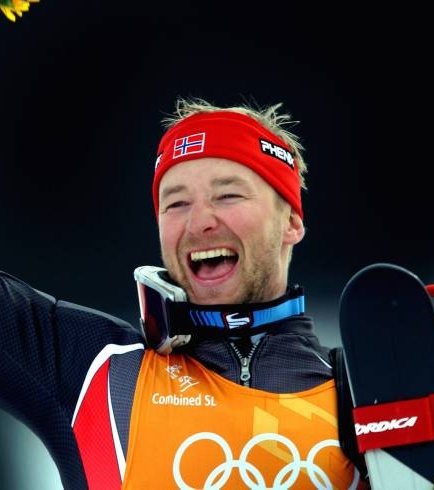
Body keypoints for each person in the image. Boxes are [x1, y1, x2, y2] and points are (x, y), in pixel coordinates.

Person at [0, 96, 369, 489]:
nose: (199, 222)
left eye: (227, 195)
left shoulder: (368, 391)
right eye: (176, 203)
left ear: (291, 222)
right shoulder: (98, 370)